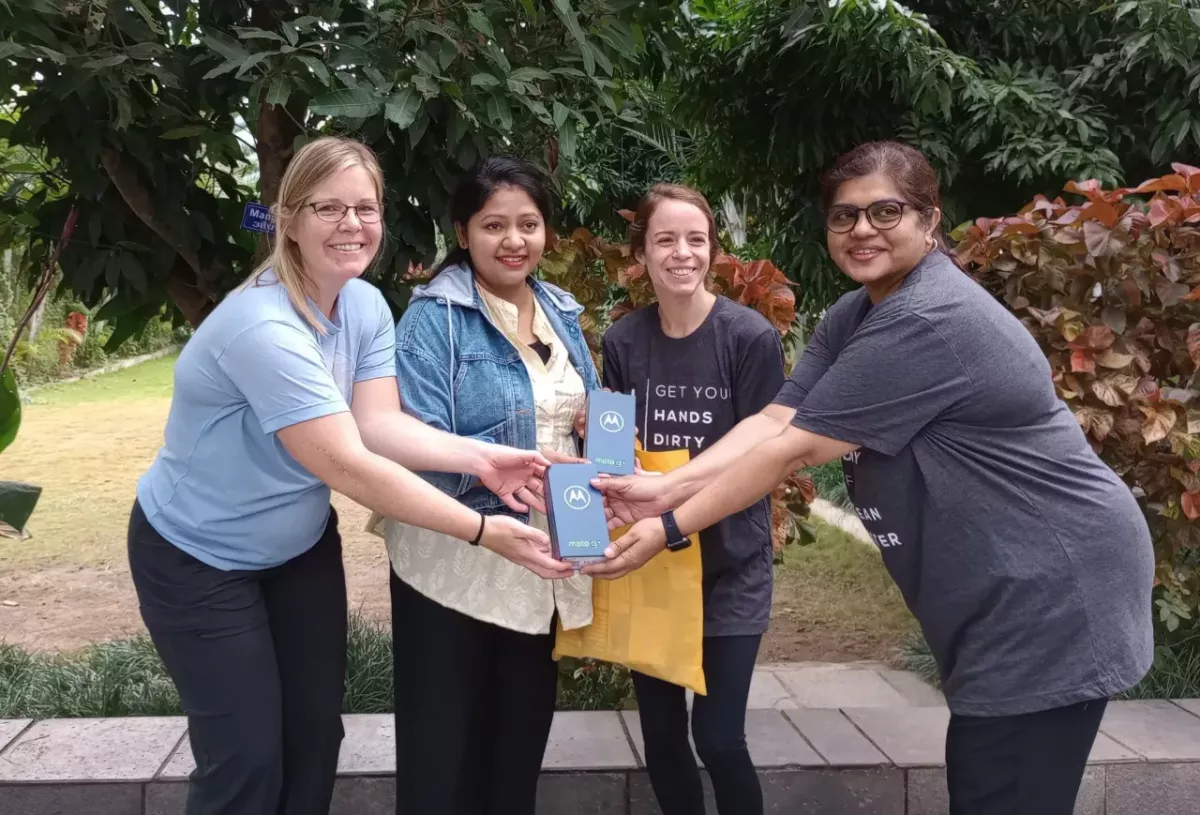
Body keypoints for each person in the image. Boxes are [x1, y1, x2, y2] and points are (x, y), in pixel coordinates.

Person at [585, 141, 1155, 815]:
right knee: (987, 780)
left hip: (1053, 587)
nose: (862, 229)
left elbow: (789, 451)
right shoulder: (856, 313)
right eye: (843, 215)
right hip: (1003, 585)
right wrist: (662, 488)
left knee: (999, 789)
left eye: (886, 211)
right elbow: (774, 417)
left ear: (929, 219)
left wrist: (667, 524)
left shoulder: (927, 318)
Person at [127, 137, 570, 815]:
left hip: (297, 548)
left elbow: (378, 426)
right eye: (328, 207)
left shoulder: (361, 306)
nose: (351, 224)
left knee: (314, 739)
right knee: (245, 756)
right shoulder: (263, 327)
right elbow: (349, 464)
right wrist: (485, 529)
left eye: (365, 207)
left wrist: (480, 457)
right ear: (289, 219)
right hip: (197, 555)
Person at [380, 157, 599, 815]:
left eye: (528, 224)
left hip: (536, 563)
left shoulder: (560, 309)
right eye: (495, 224)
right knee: (441, 751)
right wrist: (498, 475)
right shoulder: (435, 317)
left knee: (518, 743)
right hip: (454, 558)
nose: (514, 240)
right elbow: (414, 441)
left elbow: (580, 418)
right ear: (463, 231)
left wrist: (592, 425)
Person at [590, 183, 784, 815]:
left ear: (712, 251)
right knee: (663, 738)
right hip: (655, 563)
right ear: (640, 254)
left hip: (731, 563)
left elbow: (764, 457)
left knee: (720, 738)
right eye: (665, 240)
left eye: (695, 240)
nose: (682, 253)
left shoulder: (749, 338)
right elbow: (617, 454)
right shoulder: (623, 342)